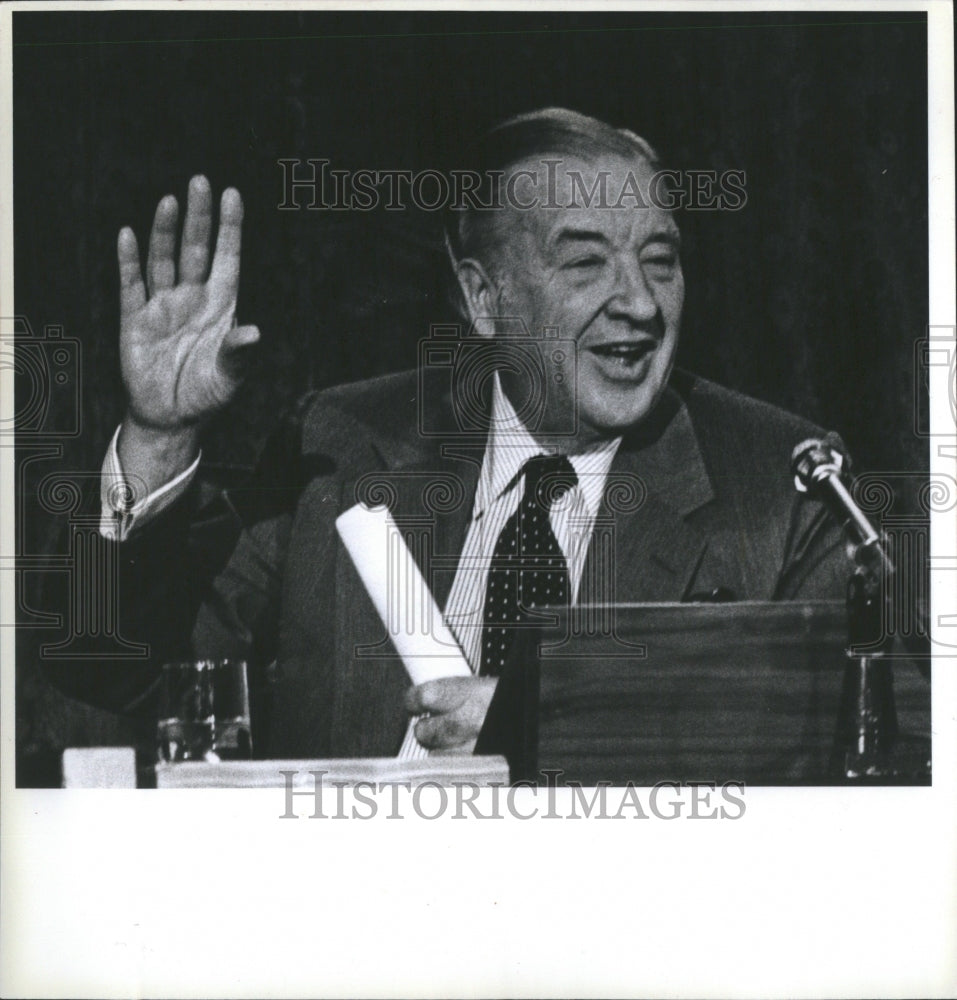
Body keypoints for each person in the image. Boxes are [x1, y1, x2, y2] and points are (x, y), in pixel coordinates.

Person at [53, 108, 850, 759]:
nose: (639, 303)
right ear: (482, 297)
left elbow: (831, 725)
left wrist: (531, 723)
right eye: (584, 264)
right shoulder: (340, 443)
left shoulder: (780, 482)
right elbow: (113, 672)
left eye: (660, 259)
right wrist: (158, 435)